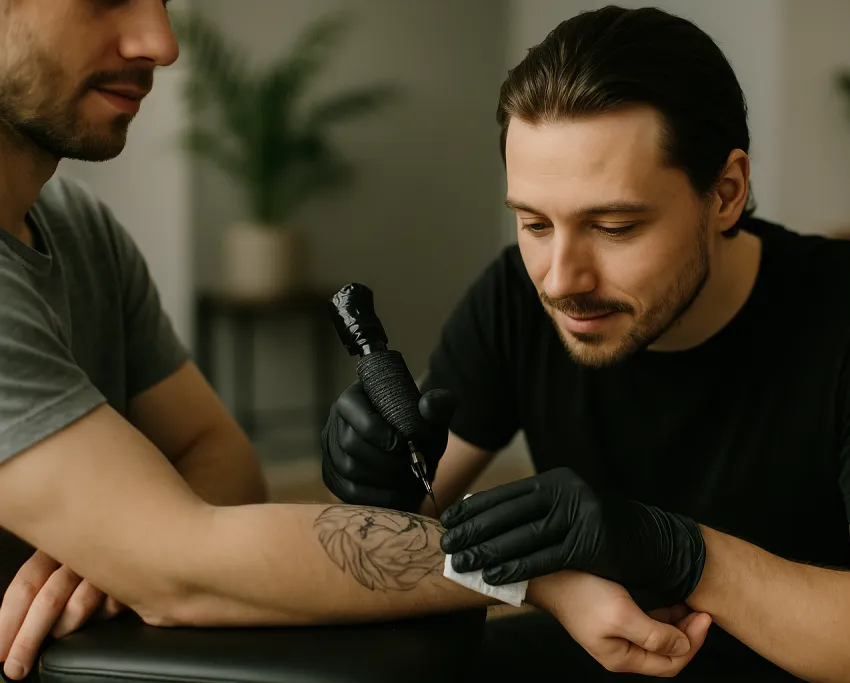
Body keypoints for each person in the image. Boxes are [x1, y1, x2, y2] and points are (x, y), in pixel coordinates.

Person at [0, 1, 713, 680]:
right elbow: (181, 567)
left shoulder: (79, 230)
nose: (162, 42)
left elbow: (222, 462)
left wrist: (120, 545)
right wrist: (535, 567)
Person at [319, 5, 850, 682]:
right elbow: (419, 514)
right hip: (611, 649)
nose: (560, 279)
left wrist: (682, 553)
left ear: (726, 192)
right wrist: (383, 482)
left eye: (613, 226)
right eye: (534, 223)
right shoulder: (516, 298)